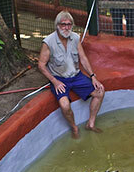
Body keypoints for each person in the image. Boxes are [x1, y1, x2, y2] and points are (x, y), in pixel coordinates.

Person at [38, 11, 105, 139]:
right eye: (63, 24)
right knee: (64, 105)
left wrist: (93, 76)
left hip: (76, 75)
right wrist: (54, 81)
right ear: (57, 25)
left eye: (69, 24)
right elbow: (41, 65)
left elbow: (83, 58)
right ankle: (74, 127)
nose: (66, 27)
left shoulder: (75, 37)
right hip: (58, 78)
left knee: (100, 91)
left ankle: (90, 124)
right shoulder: (48, 42)